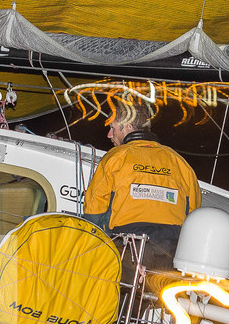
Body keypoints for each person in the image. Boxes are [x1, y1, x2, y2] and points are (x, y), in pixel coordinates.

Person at [82, 96, 201, 257]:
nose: (109, 134)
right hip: (169, 249)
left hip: (126, 244)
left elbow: (94, 208)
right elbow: (194, 211)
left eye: (113, 128)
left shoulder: (116, 157)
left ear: (129, 127)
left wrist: (93, 242)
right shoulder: (179, 162)